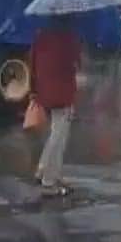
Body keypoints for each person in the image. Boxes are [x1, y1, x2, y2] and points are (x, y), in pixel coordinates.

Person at [30, 17, 82, 197]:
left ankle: (43, 169)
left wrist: (34, 89)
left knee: (55, 132)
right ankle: (49, 180)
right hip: (63, 92)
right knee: (59, 136)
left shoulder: (40, 37)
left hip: (45, 91)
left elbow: (32, 63)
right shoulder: (68, 38)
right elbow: (74, 63)